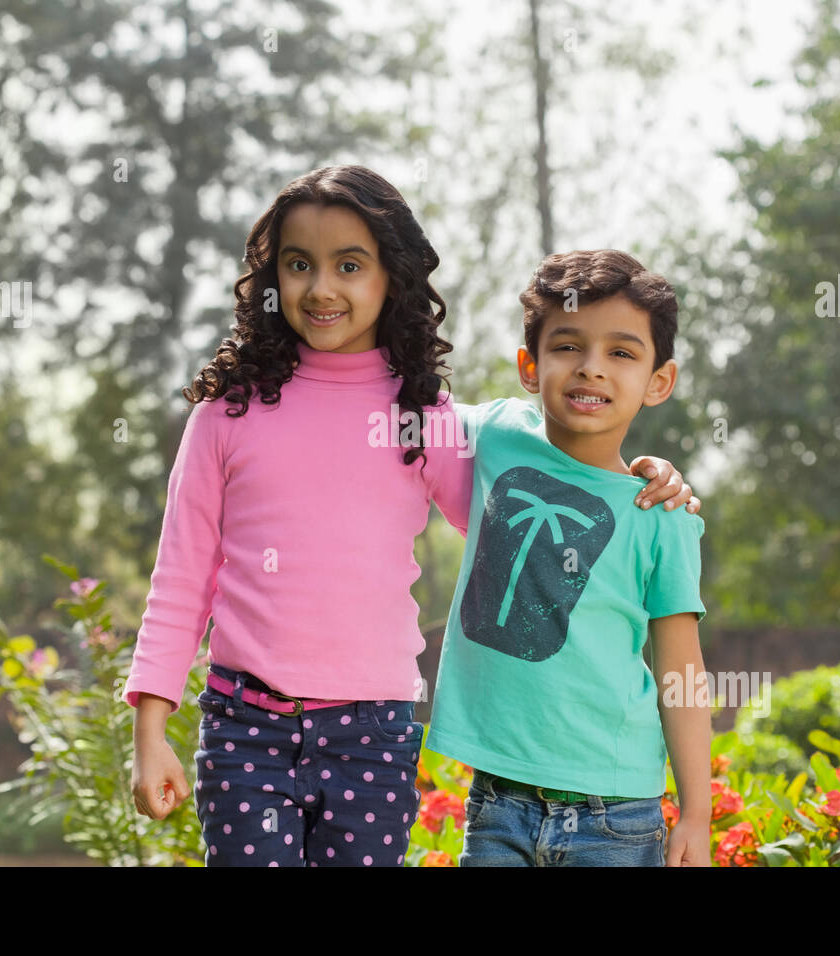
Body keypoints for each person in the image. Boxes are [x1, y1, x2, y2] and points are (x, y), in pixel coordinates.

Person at [123, 165, 700, 866]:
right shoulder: (226, 415)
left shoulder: (424, 415)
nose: (322, 287)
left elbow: (533, 483)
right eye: (299, 264)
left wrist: (653, 478)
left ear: (390, 276)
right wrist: (150, 733)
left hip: (375, 732)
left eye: (349, 265)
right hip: (245, 726)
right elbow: (179, 581)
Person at [426, 248, 712, 866]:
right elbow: (391, 399)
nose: (592, 369)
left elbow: (681, 673)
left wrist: (696, 813)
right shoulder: (495, 434)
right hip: (497, 800)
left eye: (622, 352)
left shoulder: (662, 515)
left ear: (658, 381)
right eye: (567, 347)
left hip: (618, 813)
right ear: (530, 366)